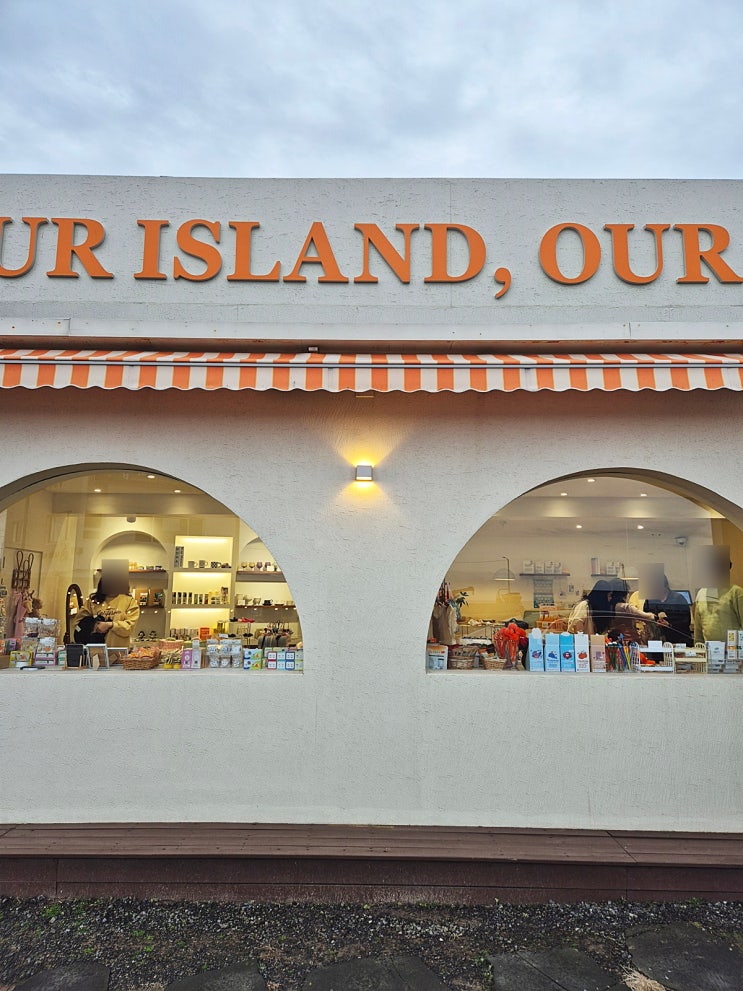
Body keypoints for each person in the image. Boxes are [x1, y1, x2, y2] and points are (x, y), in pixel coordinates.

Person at [73, 571, 140, 649]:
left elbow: (129, 627)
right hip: (95, 651)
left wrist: (110, 625)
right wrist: (94, 626)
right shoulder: (93, 601)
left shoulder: (129, 601)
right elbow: (78, 624)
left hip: (119, 651)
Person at [645, 575, 692, 645]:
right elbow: (646, 617)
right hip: (657, 642)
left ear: (665, 586)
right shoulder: (650, 601)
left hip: (678, 641)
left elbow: (685, 622)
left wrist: (669, 625)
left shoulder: (678, 599)